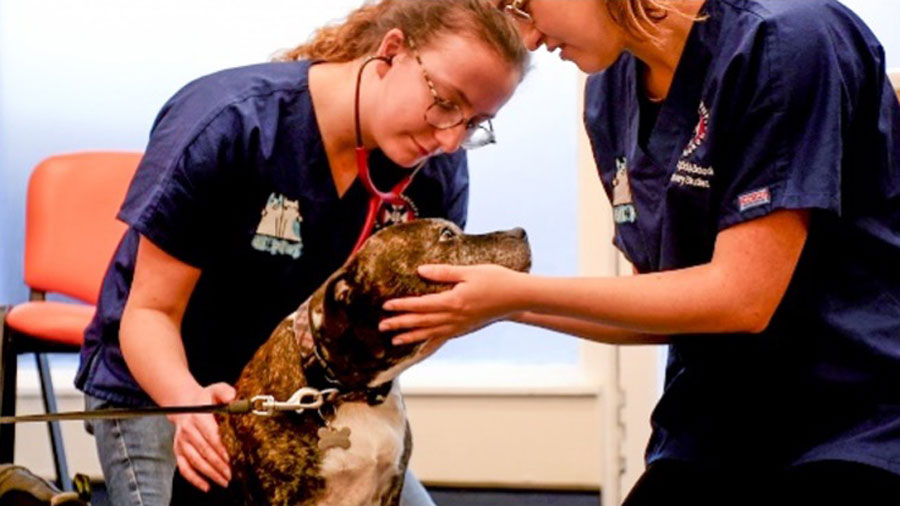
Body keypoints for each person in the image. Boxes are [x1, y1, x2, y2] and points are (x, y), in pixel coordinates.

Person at [379, 0, 900, 504]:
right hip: (715, 429)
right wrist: (502, 307)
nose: (528, 37)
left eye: (522, 3)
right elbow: (662, 307)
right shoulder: (610, 92)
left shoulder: (786, 39)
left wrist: (516, 293)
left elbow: (743, 297)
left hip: (856, 423)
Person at [73, 1, 528, 505]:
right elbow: (149, 313)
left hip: (303, 399)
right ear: (392, 51)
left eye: (474, 124)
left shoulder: (435, 171)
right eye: (445, 101)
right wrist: (185, 402)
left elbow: (420, 320)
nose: (448, 139)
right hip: (166, 378)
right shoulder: (230, 123)